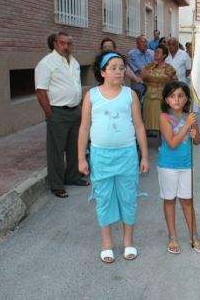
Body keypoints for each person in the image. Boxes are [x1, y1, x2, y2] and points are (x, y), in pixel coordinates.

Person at [77, 51, 149, 263]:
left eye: (121, 67)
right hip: (100, 156)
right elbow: (83, 128)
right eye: (113, 68)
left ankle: (128, 241)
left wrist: (144, 155)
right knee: (104, 197)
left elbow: (139, 126)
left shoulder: (130, 95)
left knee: (128, 197)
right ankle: (106, 243)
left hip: (127, 155)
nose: (118, 72)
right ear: (102, 72)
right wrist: (81, 158)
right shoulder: (92, 95)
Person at [35, 32, 89, 198]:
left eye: (69, 43)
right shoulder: (46, 63)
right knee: (56, 151)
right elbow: (40, 91)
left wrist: (79, 105)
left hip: (75, 110)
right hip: (58, 112)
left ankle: (73, 177)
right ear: (54, 44)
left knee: (75, 147)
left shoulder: (74, 62)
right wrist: (50, 114)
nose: (66, 47)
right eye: (62, 43)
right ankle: (57, 185)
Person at [158, 81, 200, 255]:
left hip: (186, 165)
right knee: (170, 200)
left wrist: (195, 135)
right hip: (168, 166)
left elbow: (198, 141)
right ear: (166, 99)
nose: (177, 99)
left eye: (180, 95)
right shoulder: (164, 117)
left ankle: (194, 235)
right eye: (172, 96)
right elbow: (171, 143)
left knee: (187, 200)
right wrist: (187, 126)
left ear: (187, 98)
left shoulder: (191, 116)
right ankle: (172, 237)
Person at [140, 44, 177, 133]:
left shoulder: (168, 67)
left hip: (162, 97)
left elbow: (175, 81)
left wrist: (169, 76)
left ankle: (162, 143)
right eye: (155, 52)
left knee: (162, 121)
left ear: (164, 55)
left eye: (158, 52)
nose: (155, 54)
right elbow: (142, 77)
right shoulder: (149, 65)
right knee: (147, 120)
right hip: (149, 96)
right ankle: (144, 143)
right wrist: (152, 67)